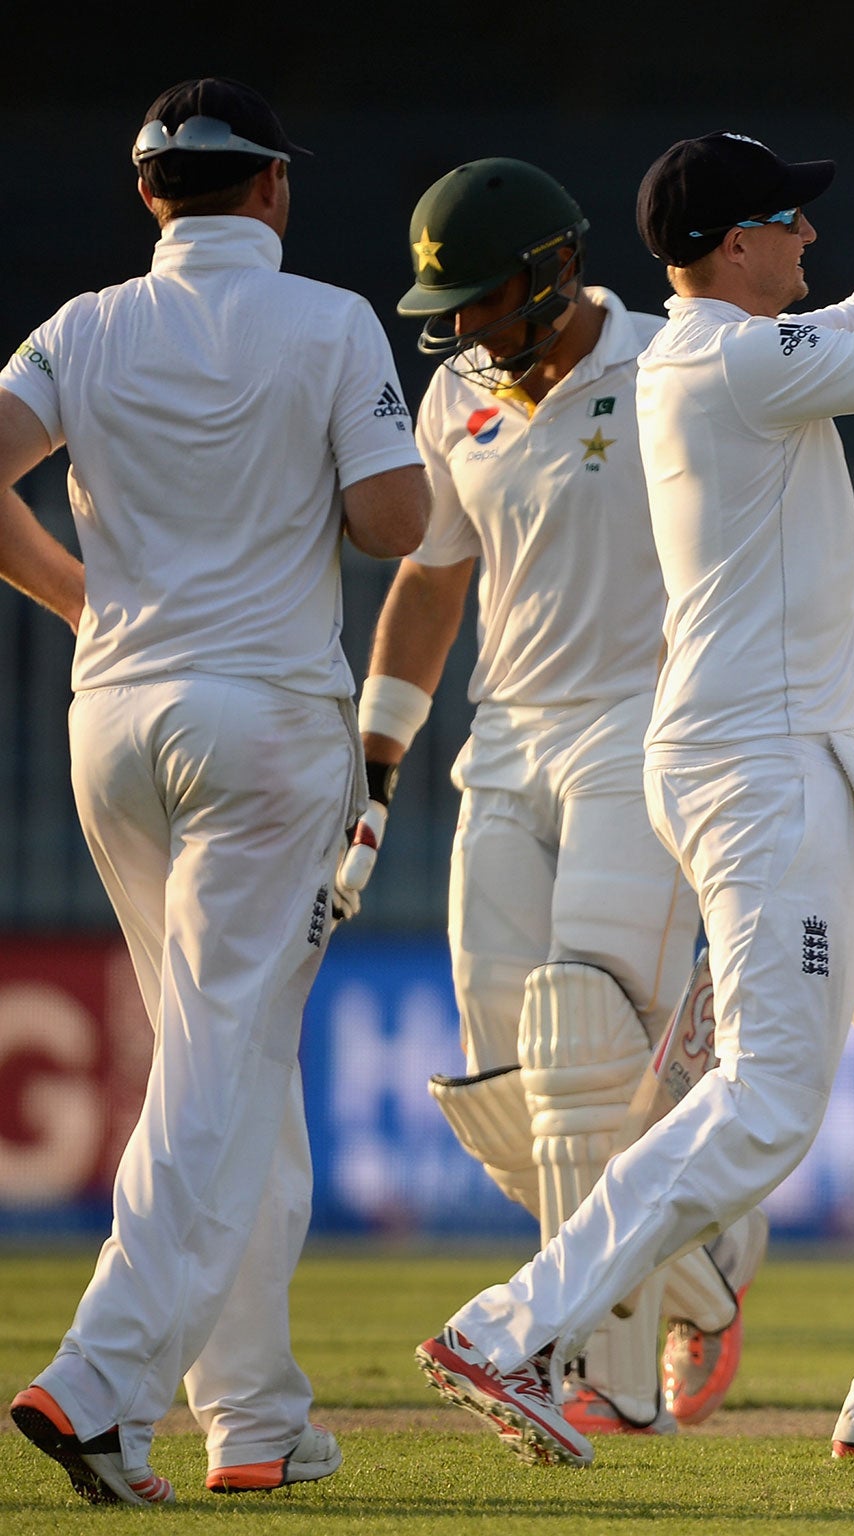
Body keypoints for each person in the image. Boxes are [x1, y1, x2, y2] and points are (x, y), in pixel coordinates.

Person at [414, 77, 854, 1467]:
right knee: (770, 1102)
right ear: (734, 245)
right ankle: (505, 1330)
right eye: (792, 220)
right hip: (757, 772)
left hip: (807, 763)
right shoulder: (731, 360)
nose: (810, 241)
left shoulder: (731, 349)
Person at [0, 78, 427, 1505]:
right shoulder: (331, 320)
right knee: (216, 1066)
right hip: (263, 731)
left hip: (113, 720)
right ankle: (100, 1380)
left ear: (147, 197)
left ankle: (251, 1418)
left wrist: (83, 602)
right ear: (275, 190)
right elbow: (391, 524)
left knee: (232, 1063)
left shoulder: (87, 324)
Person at [341, 155, 767, 1439]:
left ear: (556, 270)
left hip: (641, 736)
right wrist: (377, 762)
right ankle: (706, 1268)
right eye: (449, 311)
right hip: (505, 741)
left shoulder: (674, 364)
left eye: (482, 301)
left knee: (583, 1052)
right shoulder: (455, 391)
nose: (466, 331)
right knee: (499, 1087)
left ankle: (601, 1384)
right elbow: (429, 580)